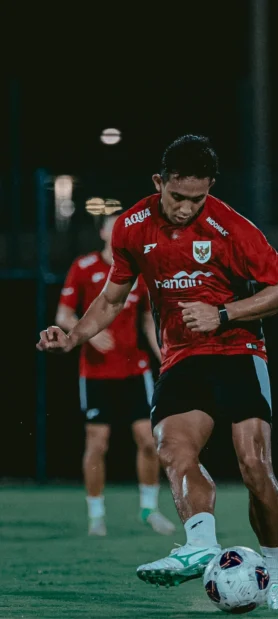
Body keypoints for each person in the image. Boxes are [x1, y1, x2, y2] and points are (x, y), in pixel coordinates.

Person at [37, 134, 278, 610]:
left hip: (239, 349)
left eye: (196, 199)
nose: (185, 208)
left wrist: (225, 313)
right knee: (173, 447)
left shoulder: (230, 226)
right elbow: (113, 298)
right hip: (182, 355)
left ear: (211, 189)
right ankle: (200, 544)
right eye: (177, 197)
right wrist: (74, 335)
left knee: (254, 466)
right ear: (159, 182)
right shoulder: (132, 226)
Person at [56, 212, 175, 537]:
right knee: (98, 443)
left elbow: (148, 321)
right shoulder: (84, 268)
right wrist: (90, 333)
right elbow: (63, 315)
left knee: (149, 440)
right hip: (95, 371)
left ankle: (149, 509)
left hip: (134, 370)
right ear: (105, 233)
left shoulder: (138, 269)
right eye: (116, 226)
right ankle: (96, 514)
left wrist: (163, 353)